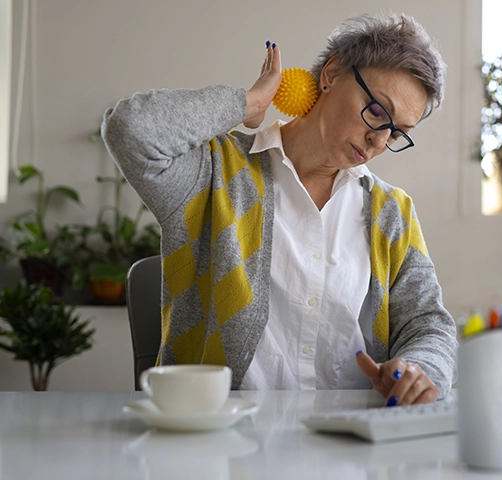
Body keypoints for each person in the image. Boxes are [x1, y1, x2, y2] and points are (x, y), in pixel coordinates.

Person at [102, 13, 457, 406]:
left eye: (398, 132)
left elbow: (427, 323)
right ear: (333, 73)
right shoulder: (214, 172)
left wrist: (420, 370)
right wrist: (248, 103)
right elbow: (131, 129)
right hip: (226, 445)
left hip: (350, 447)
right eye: (376, 111)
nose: (378, 139)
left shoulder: (392, 212)